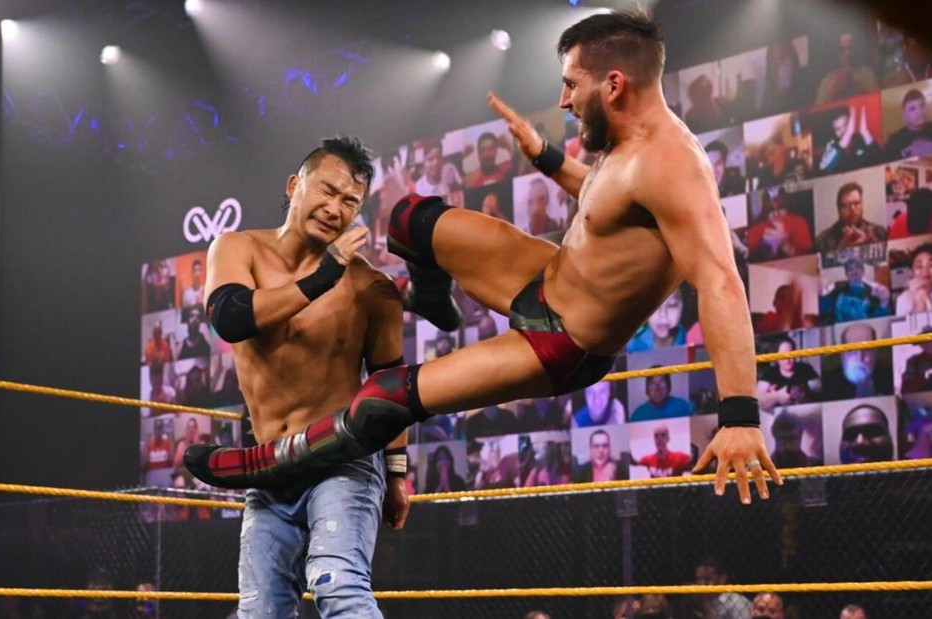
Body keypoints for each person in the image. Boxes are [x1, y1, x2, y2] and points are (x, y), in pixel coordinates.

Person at [186, 8, 780, 506]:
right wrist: (545, 155)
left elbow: (722, 282)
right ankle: (433, 301)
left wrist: (740, 415)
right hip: (547, 278)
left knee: (385, 398)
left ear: (614, 84)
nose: (564, 99)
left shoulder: (673, 165)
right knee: (410, 218)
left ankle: (265, 465)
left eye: (572, 84)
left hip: (564, 342)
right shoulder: (628, 141)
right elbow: (608, 207)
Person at [187, 137, 411, 618]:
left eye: (350, 201)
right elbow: (231, 317)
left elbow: (390, 383)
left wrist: (396, 476)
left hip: (342, 459)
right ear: (294, 186)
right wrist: (323, 276)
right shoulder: (236, 247)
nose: (335, 208)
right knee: (260, 610)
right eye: (327, 190)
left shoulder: (372, 288)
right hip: (268, 467)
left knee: (338, 584)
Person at [823, 322, 893, 400]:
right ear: (842, 354)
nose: (860, 357)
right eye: (852, 350)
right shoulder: (827, 384)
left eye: (866, 349)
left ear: (875, 352)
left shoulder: (890, 378)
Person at [746, 187, 813, 262]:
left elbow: (808, 257)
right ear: (765, 211)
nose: (776, 213)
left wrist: (784, 243)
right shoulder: (756, 229)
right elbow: (749, 258)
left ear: (787, 207)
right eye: (771, 209)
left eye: (780, 207)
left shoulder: (799, 222)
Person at [815, 182, 886, 252]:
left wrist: (875, 247)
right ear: (839, 209)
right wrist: (841, 250)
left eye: (857, 203)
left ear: (862, 205)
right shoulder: (822, 242)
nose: (852, 209)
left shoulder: (879, 232)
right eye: (846, 205)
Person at [818, 254, 891, 323]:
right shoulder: (838, 289)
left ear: (862, 271)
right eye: (850, 269)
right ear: (846, 274)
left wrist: (884, 301)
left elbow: (879, 320)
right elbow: (824, 307)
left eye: (858, 267)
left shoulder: (872, 292)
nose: (854, 271)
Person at [815, 32, 880, 105]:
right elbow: (819, 111)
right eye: (842, 50)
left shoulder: (866, 73)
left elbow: (878, 101)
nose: (847, 53)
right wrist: (835, 89)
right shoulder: (828, 81)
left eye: (850, 49)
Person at [756, 337, 821, 408]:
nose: (787, 360)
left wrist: (804, 395)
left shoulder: (805, 369)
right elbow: (758, 400)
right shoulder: (770, 373)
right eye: (782, 355)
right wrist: (776, 396)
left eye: (790, 354)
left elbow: (819, 391)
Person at [816, 106, 880, 176]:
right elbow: (824, 169)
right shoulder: (832, 145)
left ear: (850, 123)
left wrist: (865, 132)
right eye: (838, 129)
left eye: (845, 125)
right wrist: (847, 135)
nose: (843, 131)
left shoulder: (860, 139)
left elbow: (879, 161)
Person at [626, 287, 687, 351]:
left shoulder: (692, 338)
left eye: (671, 304)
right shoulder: (632, 347)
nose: (663, 315)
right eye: (654, 306)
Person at [883, 89, 932, 160]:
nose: (919, 112)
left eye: (922, 106)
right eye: (912, 109)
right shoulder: (895, 140)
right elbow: (885, 164)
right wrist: (908, 152)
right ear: (904, 114)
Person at [414, 139, 464, 206]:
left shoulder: (449, 169)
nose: (435, 163)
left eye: (439, 158)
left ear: (443, 159)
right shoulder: (419, 186)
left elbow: (460, 191)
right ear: (424, 163)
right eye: (430, 159)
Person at [895, 243, 932, 315]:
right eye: (919, 266)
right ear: (912, 272)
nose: (925, 272)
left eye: (931, 265)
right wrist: (919, 303)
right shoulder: (903, 299)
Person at [900, 326, 932, 392]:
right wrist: (925, 377)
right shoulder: (913, 361)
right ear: (920, 344)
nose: (929, 343)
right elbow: (906, 389)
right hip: (922, 400)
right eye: (924, 341)